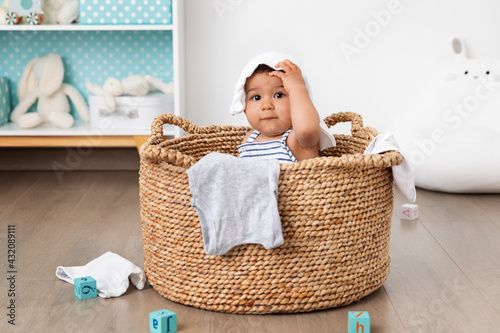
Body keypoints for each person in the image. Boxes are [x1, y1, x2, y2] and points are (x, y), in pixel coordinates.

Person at [230, 52, 335, 163]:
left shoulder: (296, 139)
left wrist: (297, 87)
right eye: (256, 97)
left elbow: (306, 129)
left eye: (278, 95)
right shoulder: (249, 140)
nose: (267, 106)